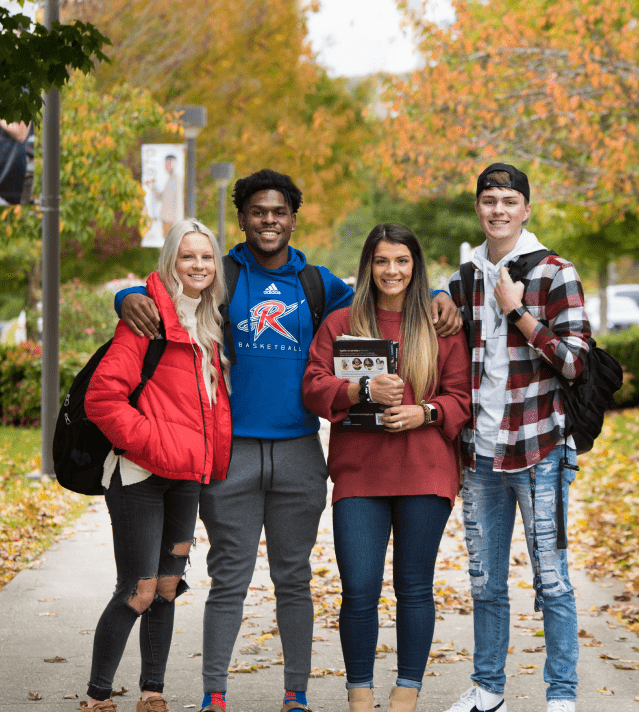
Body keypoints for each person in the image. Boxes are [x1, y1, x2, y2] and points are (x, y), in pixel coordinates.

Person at [113, 169, 463, 712]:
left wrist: (438, 293)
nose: (269, 220)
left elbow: (390, 288)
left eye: (280, 212)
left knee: (293, 578)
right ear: (244, 218)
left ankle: (295, 696)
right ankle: (214, 696)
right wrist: (127, 296)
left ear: (294, 219)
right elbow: (169, 288)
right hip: (231, 451)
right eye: (259, 211)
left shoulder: (318, 284)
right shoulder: (224, 274)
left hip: (300, 450)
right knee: (229, 578)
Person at [302, 223, 472, 712]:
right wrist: (359, 391)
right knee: (358, 586)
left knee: (414, 585)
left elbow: (462, 396)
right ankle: (359, 694)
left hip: (424, 469)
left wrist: (427, 411)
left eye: (401, 261)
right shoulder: (342, 322)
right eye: (381, 261)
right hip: (360, 471)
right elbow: (312, 386)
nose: (391, 271)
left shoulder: (439, 326)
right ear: (367, 266)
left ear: (415, 266)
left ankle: (406, 692)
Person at [445, 164, 590, 712]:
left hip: (540, 452)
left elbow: (576, 362)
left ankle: (561, 696)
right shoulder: (465, 276)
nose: (498, 210)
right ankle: (488, 689)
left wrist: (519, 313)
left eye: (509, 201)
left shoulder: (555, 272)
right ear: (478, 208)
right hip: (480, 455)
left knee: (551, 581)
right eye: (489, 200)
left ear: (526, 209)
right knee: (485, 582)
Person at [81, 219, 233, 712]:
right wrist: (156, 444)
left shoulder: (209, 324)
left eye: (207, 257)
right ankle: (97, 696)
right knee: (138, 589)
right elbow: (102, 398)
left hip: (185, 479)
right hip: (140, 477)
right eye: (188, 256)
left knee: (167, 588)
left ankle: (153, 694)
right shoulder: (144, 320)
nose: (199, 266)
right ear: (171, 261)